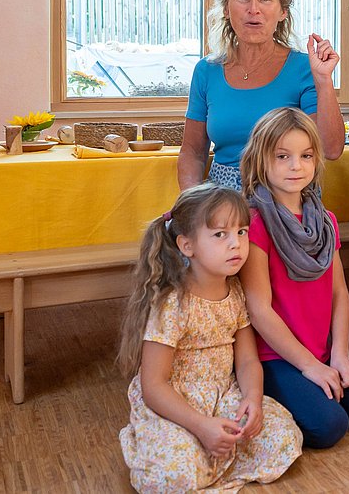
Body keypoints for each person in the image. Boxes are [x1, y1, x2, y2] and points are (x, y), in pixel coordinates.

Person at [117, 184, 302, 492]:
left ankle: (212, 458)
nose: (237, 245)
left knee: (284, 436)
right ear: (187, 246)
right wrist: (201, 426)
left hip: (223, 396)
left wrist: (252, 400)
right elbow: (154, 386)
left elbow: (246, 361)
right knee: (174, 474)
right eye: (221, 235)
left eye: (242, 232)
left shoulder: (236, 292)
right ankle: (185, 453)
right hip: (176, 405)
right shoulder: (172, 303)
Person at [237, 108, 349, 449]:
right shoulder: (255, 223)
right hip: (277, 356)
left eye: (306, 155)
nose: (296, 165)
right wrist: (309, 367)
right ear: (260, 160)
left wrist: (339, 355)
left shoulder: (326, 221)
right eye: (283, 156)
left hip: (322, 350)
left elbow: (339, 293)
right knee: (329, 427)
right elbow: (259, 310)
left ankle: (318, 385)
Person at [180, 0, 345, 191]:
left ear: (282, 12)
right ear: (226, 8)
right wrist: (190, 205)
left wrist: (324, 81)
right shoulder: (206, 70)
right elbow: (193, 152)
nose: (253, 9)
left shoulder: (305, 68)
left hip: (288, 203)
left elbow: (331, 150)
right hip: (224, 209)